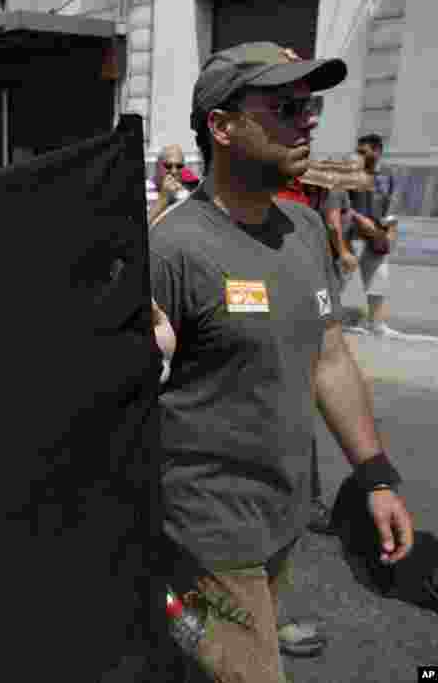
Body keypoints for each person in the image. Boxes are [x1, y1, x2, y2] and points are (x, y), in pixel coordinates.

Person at [149, 42, 414, 682]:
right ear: (221, 125)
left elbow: (329, 358)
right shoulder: (173, 247)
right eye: (286, 106)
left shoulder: (301, 229)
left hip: (283, 522)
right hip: (207, 537)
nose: (309, 120)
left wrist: (375, 475)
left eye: (310, 105)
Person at [342, 134, 403, 338]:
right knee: (341, 278)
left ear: (377, 151)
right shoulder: (351, 173)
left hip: (378, 236)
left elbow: (392, 205)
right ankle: (326, 321)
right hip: (352, 235)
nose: (359, 155)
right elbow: (342, 204)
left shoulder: (387, 175)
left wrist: (390, 233)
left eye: (363, 151)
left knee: (379, 280)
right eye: (358, 151)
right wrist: (359, 219)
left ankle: (375, 324)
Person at [149, 145, 192, 227]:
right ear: (157, 166)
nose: (174, 171)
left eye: (179, 166)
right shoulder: (143, 189)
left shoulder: (187, 195)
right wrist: (162, 200)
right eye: (168, 166)